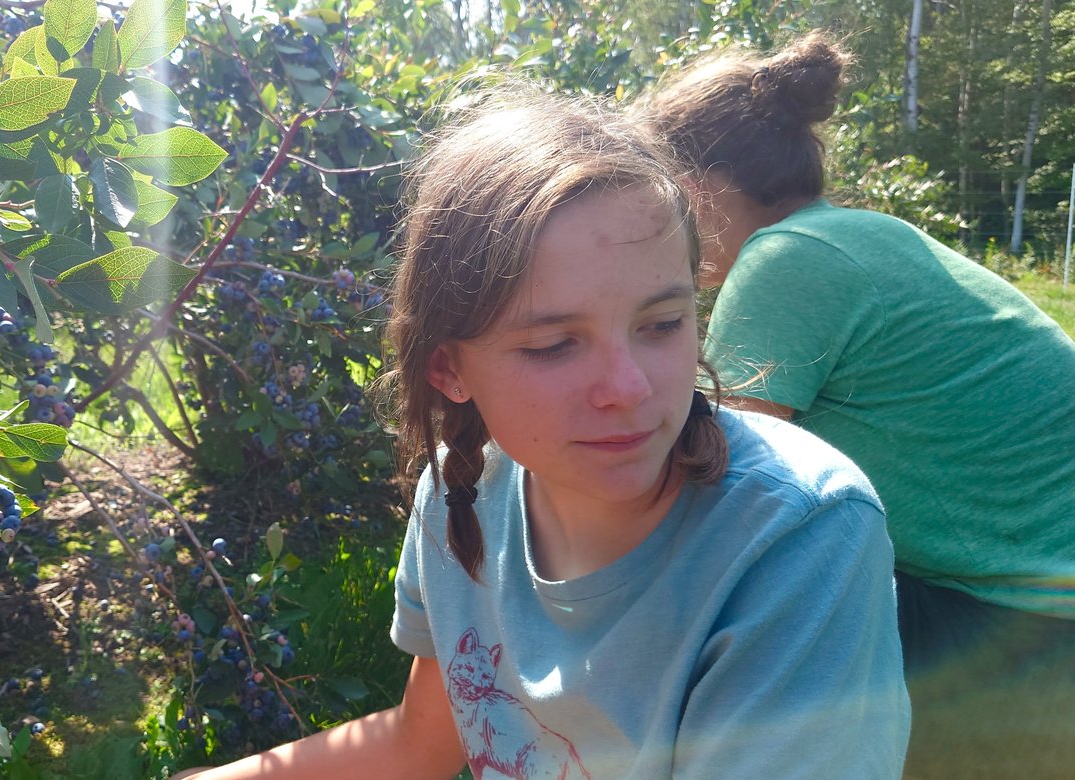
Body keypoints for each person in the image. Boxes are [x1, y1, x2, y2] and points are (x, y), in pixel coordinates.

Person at [171, 83, 909, 780]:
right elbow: (421, 741)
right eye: (553, 344)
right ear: (449, 369)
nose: (629, 389)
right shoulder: (460, 495)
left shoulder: (798, 537)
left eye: (661, 324)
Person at [639, 32, 1075, 777]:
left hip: (1019, 643)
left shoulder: (784, 260)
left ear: (699, 185)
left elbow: (719, 485)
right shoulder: (859, 236)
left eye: (656, 191)